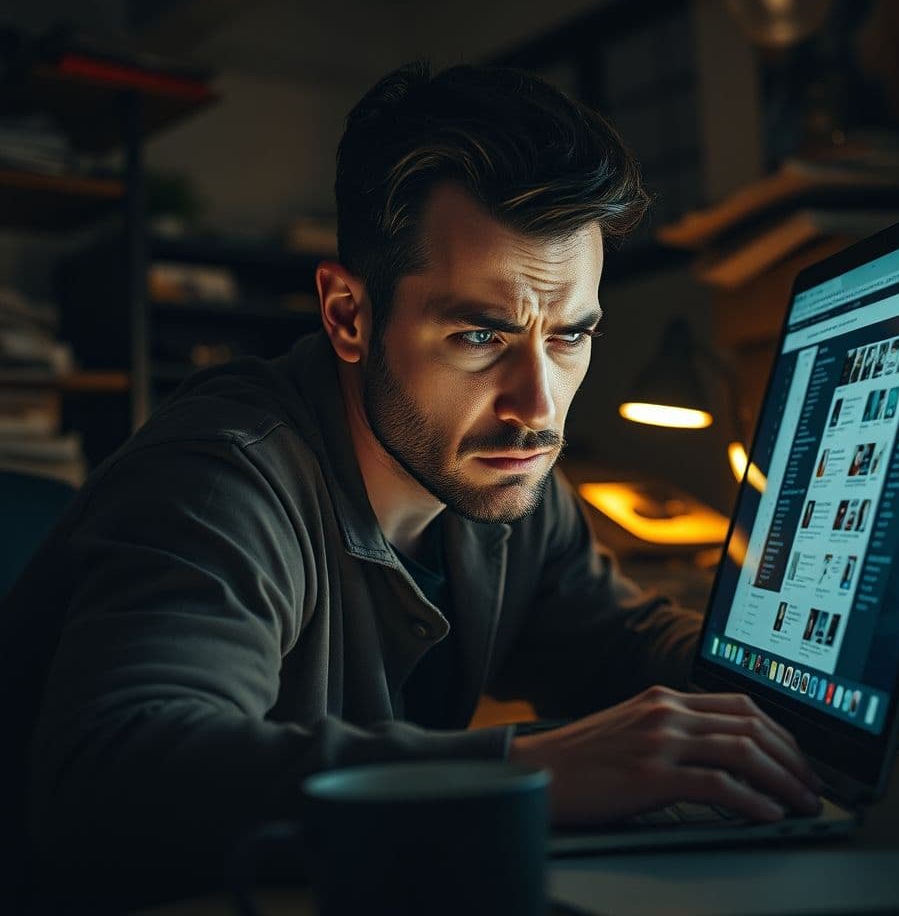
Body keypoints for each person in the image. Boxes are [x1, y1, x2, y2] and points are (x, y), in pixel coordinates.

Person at [0, 62, 820, 909]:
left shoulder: (496, 471)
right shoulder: (221, 477)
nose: (537, 408)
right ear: (348, 316)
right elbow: (113, 776)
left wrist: (802, 686)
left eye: (571, 336)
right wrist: (527, 769)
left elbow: (619, 645)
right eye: (477, 335)